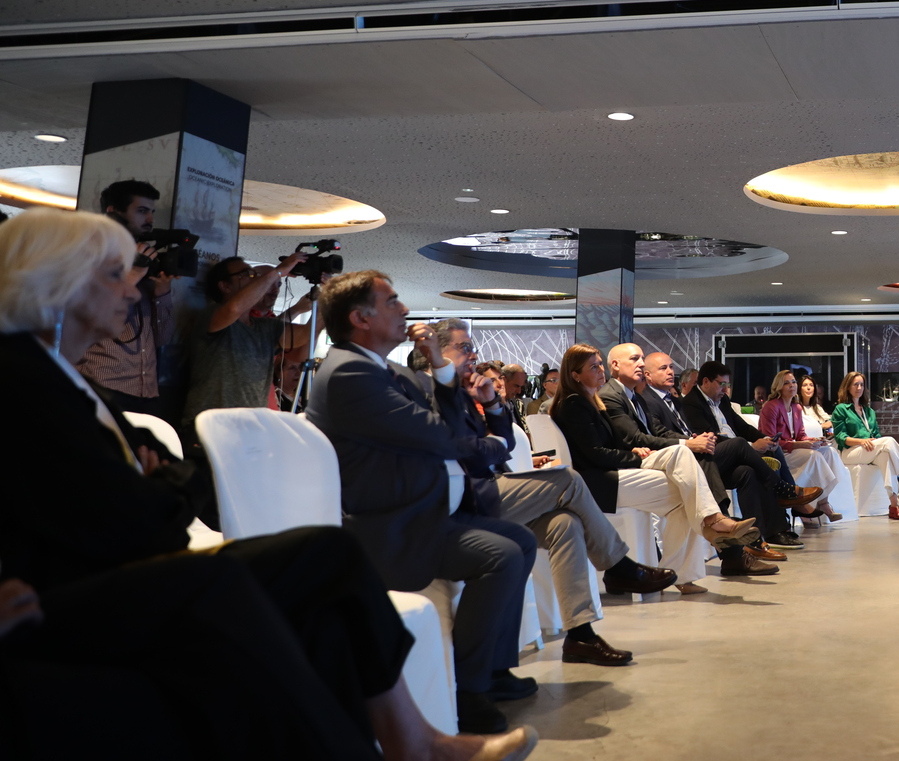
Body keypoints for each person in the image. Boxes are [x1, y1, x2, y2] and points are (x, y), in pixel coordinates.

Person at [0, 207, 538, 761]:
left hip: (125, 563)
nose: (134, 292)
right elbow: (139, 517)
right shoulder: (21, 377)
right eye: (115, 274)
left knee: (327, 562)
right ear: (55, 280)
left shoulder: (68, 376)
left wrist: (155, 481)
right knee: (282, 573)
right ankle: (417, 738)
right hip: (72, 590)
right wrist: (157, 486)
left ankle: (414, 742)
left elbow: (164, 470)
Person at [306, 271, 540, 732]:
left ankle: (492, 670)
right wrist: (484, 438)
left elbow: (448, 424)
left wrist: (440, 365)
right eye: (392, 302)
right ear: (360, 318)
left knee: (520, 540)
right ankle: (468, 692)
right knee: (502, 555)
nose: (406, 311)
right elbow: (443, 438)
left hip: (426, 513)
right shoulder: (350, 373)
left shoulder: (385, 369)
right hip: (392, 526)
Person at [413, 322, 677, 662]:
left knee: (565, 524)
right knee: (567, 478)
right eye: (464, 348)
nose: (473, 355)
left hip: (489, 491)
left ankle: (580, 636)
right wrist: (491, 444)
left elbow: (503, 443)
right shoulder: (425, 392)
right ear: (434, 354)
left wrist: (492, 407)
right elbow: (473, 451)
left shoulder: (462, 394)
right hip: (466, 500)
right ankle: (619, 565)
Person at [555, 345, 758, 593]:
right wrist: (633, 456)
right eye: (593, 366)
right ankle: (713, 522)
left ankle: (678, 573)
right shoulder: (575, 403)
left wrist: (634, 453)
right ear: (575, 374)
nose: (600, 370)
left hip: (615, 473)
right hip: (598, 483)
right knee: (682, 453)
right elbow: (596, 454)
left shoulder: (594, 400)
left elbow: (629, 439)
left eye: (599, 364)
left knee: (687, 498)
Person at [635, 350, 796, 571]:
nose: (671, 371)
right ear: (648, 375)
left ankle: (753, 543)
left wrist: (697, 438)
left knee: (747, 472)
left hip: (699, 454)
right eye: (663, 368)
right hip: (681, 458)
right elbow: (659, 434)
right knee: (739, 444)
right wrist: (692, 440)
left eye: (671, 366)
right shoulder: (648, 400)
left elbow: (717, 428)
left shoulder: (672, 399)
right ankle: (778, 489)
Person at [682, 361, 823, 551]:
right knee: (741, 444)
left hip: (735, 455)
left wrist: (764, 439)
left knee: (756, 464)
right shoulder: (691, 403)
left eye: (727, 385)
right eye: (721, 384)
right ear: (706, 381)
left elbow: (741, 426)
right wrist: (751, 446)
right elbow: (709, 440)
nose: (725, 389)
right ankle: (785, 490)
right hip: (710, 459)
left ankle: (765, 534)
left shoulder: (721, 400)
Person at [74, 179, 178, 419]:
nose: (150, 219)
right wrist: (131, 276)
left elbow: (162, 338)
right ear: (114, 212)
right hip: (100, 386)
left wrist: (162, 292)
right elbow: (85, 318)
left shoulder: (145, 261)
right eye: (141, 211)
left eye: (151, 212)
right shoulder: (89, 256)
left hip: (146, 390)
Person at [181, 251, 312, 433]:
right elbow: (234, 308)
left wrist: (326, 298)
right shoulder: (210, 315)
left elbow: (303, 340)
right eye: (246, 275)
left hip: (252, 429)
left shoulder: (264, 326)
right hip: (211, 429)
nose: (254, 279)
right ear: (225, 287)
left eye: (254, 275)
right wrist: (278, 271)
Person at [831, 371, 899, 521]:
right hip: (850, 452)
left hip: (870, 449)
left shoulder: (869, 411)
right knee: (889, 441)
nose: (859, 387)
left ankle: (893, 506)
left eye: (861, 384)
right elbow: (840, 437)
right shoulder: (841, 409)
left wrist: (873, 440)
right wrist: (861, 441)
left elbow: (877, 435)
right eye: (855, 384)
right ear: (847, 387)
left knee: (886, 455)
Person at [758, 369, 843, 522]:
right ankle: (803, 504)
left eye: (793, 382)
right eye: (786, 383)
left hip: (793, 450)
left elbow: (800, 435)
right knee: (814, 455)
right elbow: (770, 440)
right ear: (778, 387)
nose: (792, 385)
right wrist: (800, 445)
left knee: (829, 451)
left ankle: (823, 500)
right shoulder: (771, 407)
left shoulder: (796, 408)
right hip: (779, 452)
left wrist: (814, 440)